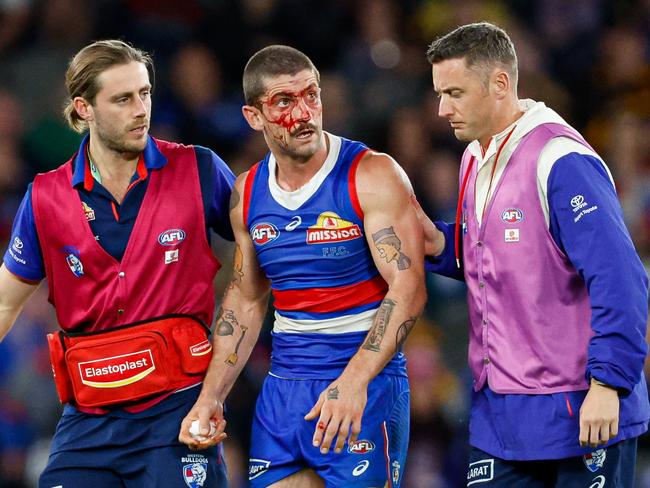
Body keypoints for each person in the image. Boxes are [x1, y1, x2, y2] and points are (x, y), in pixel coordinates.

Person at [178, 45, 426, 488]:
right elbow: (246, 299)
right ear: (254, 117)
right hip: (284, 389)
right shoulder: (247, 194)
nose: (304, 112)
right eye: (284, 102)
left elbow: (408, 290)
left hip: (363, 381)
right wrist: (211, 397)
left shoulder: (371, 175)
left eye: (312, 96)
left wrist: (354, 383)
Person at [414, 21, 649, 487]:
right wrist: (440, 245)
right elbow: (506, 255)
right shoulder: (475, 156)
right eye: (441, 93)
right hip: (501, 414)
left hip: (580, 407)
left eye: (455, 93)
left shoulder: (560, 160)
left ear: (500, 84)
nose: (442, 109)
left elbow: (620, 276)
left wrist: (608, 384)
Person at [0, 40, 235, 487]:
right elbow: (5, 305)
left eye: (145, 93)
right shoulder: (45, 197)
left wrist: (217, 391)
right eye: (123, 99)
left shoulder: (198, 169)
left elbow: (264, 252)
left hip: (178, 415)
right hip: (88, 422)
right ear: (83, 108)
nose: (140, 109)